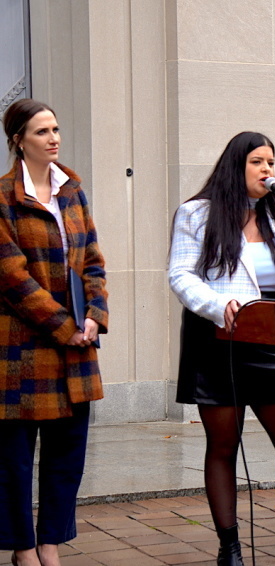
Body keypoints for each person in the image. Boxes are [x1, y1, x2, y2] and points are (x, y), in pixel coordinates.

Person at [168, 131, 275, 566]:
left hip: (270, 342)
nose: (267, 171)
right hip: (217, 342)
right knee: (223, 446)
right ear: (235, 166)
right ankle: (230, 549)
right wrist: (220, 304)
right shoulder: (196, 214)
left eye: (271, 162)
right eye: (258, 162)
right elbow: (181, 275)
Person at [0, 99, 107, 566]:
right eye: (42, 131)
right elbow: (10, 276)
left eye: (56, 129)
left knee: (67, 457)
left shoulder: (73, 192)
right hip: (22, 349)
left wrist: (94, 316)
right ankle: (23, 547)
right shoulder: (2, 196)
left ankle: (51, 543)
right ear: (19, 140)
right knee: (14, 461)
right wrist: (66, 326)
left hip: (77, 347)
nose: (53, 138)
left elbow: (94, 262)